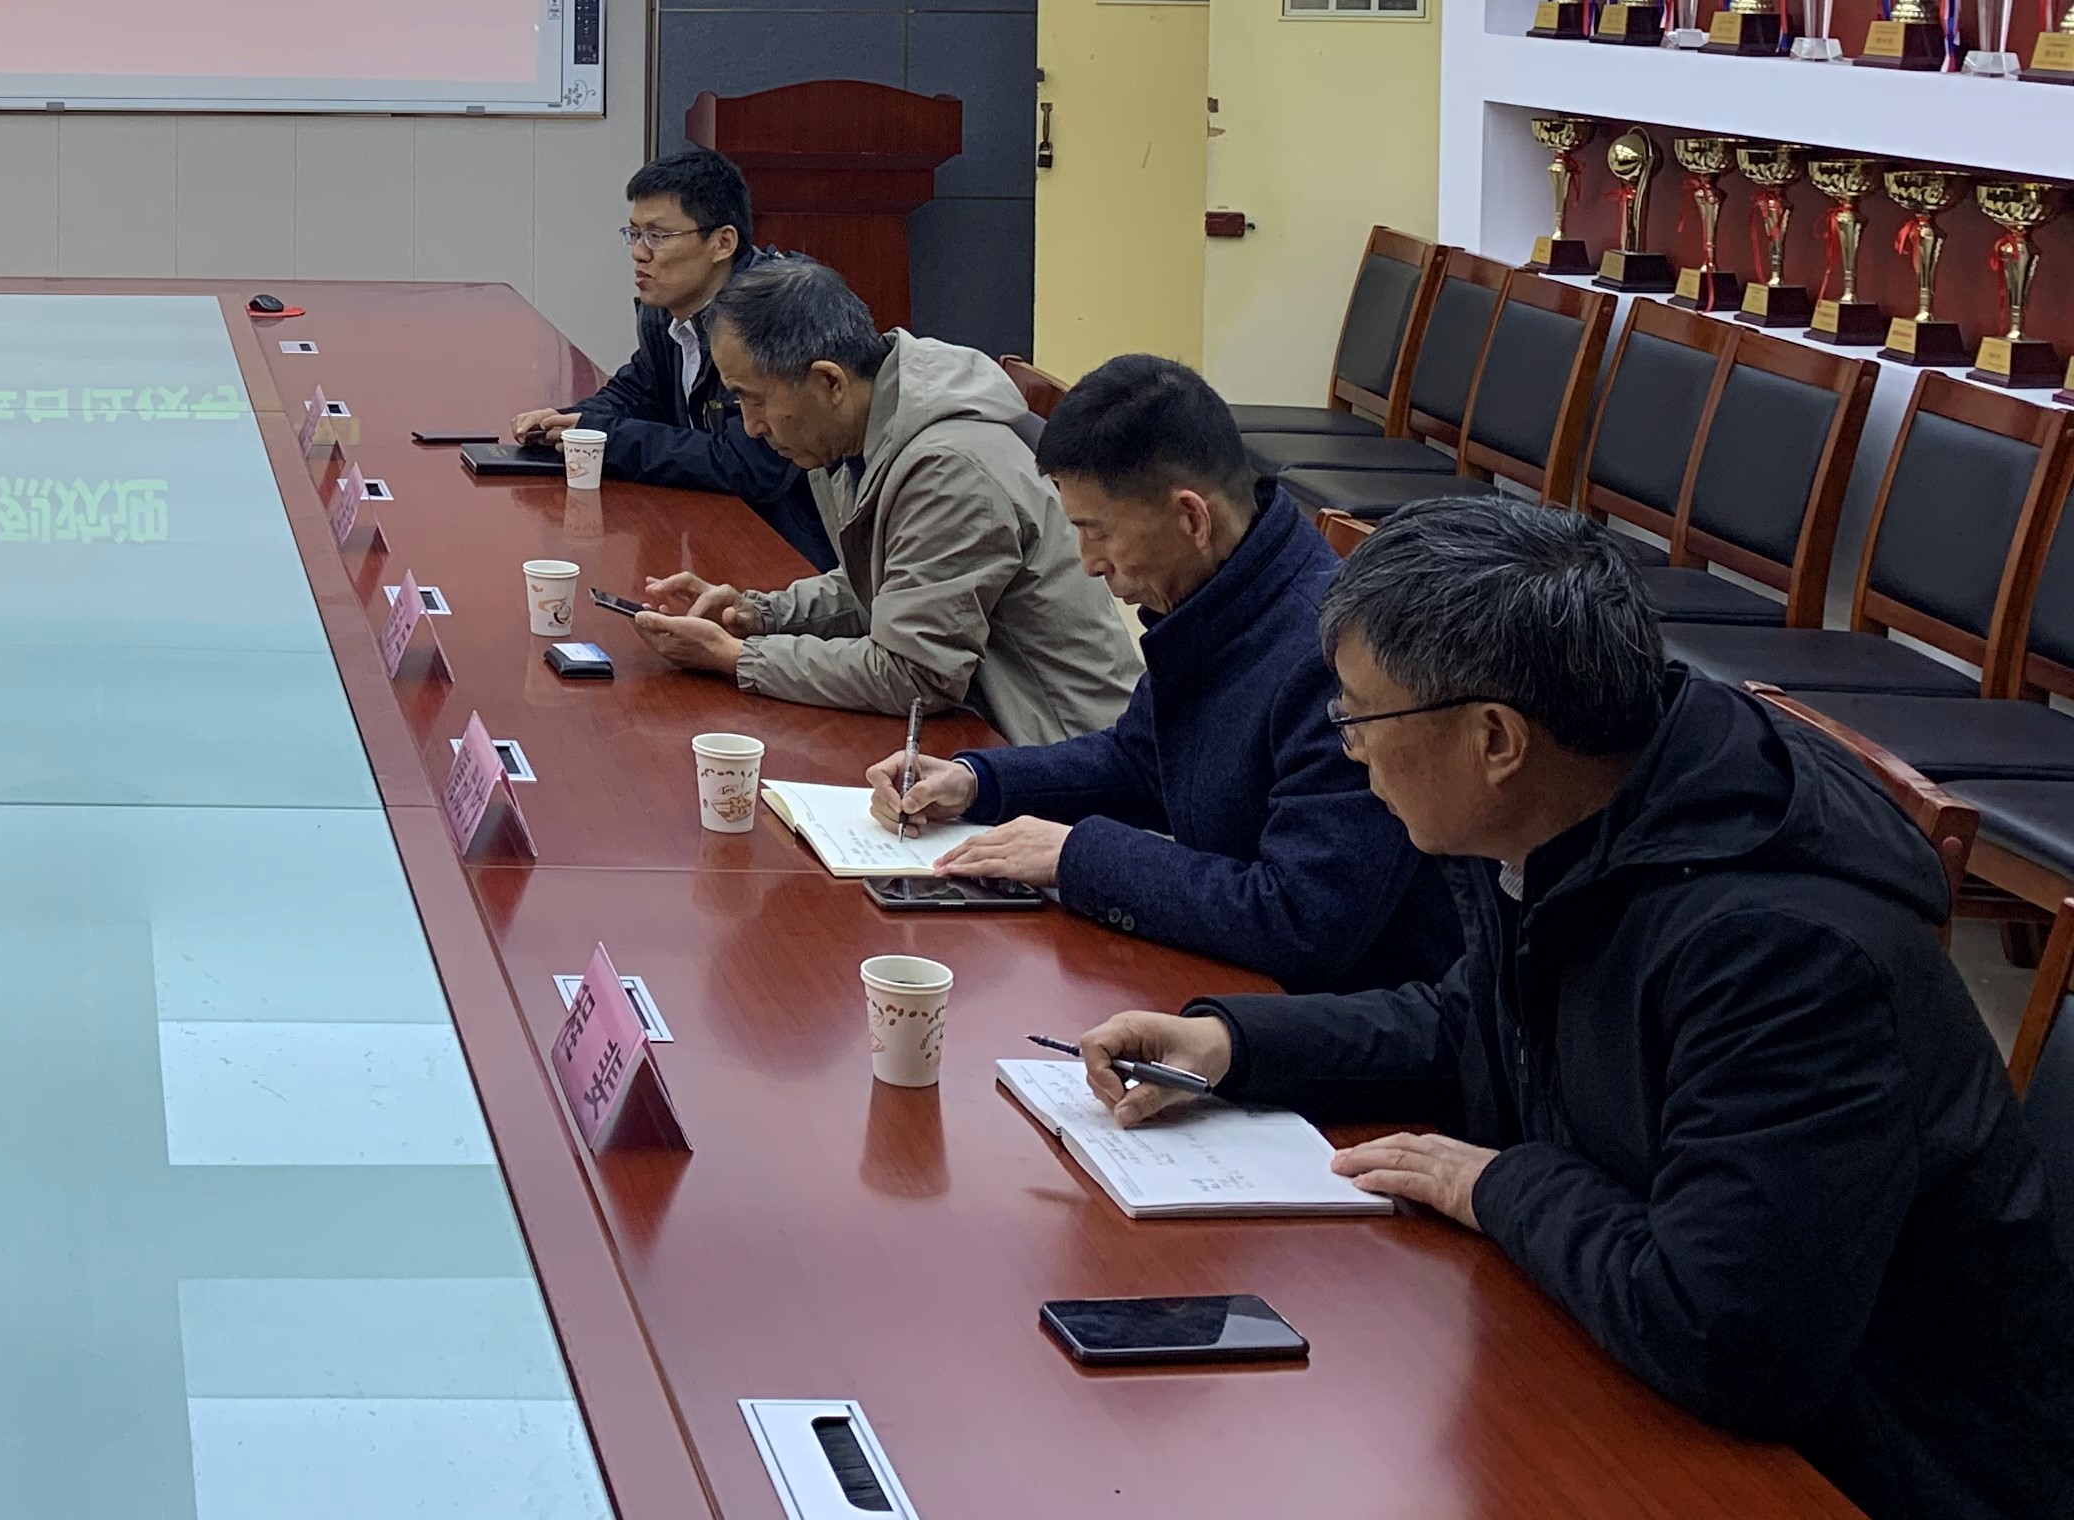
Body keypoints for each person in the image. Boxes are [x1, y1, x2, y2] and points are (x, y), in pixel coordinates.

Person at [1077, 499, 2074, 1520]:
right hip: (1649, 1377)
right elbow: (1479, 1025)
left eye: (1360, 718)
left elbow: (1726, 1336)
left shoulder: (1784, 955)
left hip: (1868, 1469)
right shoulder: (1572, 806)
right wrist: (1231, 1043)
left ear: (1495, 738)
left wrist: (1498, 1183)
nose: (1349, 750)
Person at [861, 352, 1450, 990]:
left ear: (1192, 517)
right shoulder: (1221, 591)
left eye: (1098, 532)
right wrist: (978, 782)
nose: (1088, 562)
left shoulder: (1332, 660)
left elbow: (1299, 919)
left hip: (1337, 1014)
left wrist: (1077, 855)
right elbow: (1142, 761)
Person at [624, 258, 1138, 743]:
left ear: (829, 381)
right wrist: (757, 613)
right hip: (976, 730)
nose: (751, 426)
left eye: (753, 398)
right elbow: (882, 585)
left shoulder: (948, 469)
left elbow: (914, 675)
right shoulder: (853, 428)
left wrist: (737, 657)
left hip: (1050, 751)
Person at [507, 146, 830, 564]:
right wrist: (567, 424)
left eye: (658, 237)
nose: (639, 253)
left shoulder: (772, 317)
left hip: (791, 552)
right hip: (713, 530)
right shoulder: (670, 308)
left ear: (722, 243)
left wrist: (606, 438)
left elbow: (750, 466)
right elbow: (638, 391)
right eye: (634, 234)